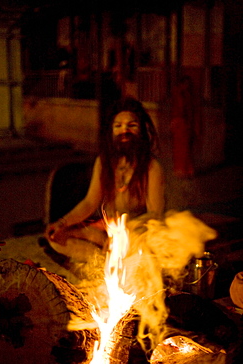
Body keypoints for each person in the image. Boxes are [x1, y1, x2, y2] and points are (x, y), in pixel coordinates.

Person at [45, 97, 165, 256]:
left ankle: (111, 259)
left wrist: (123, 233)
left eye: (132, 125)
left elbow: (155, 216)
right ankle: (102, 263)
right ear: (111, 131)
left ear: (142, 130)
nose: (125, 131)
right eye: (118, 126)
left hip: (137, 233)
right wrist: (62, 223)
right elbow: (89, 203)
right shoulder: (103, 162)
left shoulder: (152, 167)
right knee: (58, 238)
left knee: (150, 243)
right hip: (107, 232)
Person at [170, 75, 199, 178]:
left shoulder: (187, 95)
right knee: (180, 148)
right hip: (180, 122)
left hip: (185, 123)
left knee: (186, 147)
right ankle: (182, 170)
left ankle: (186, 170)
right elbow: (179, 109)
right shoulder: (179, 93)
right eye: (185, 84)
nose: (187, 86)